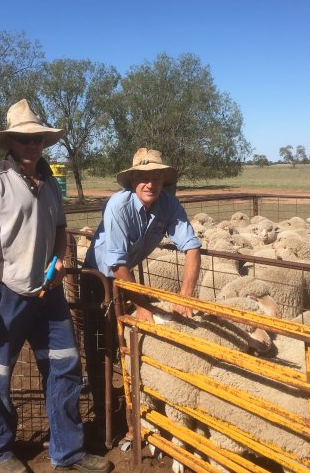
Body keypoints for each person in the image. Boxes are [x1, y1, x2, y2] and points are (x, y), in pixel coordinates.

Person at [0, 99, 111, 473]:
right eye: (25, 138)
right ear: (11, 141)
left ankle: (68, 453)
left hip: (48, 293)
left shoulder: (50, 186)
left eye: (38, 138)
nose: (33, 144)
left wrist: (60, 261)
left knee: (65, 366)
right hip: (3, 293)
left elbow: (60, 229)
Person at [81, 147, 201, 420]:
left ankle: (133, 395)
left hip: (125, 276)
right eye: (144, 177)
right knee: (100, 342)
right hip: (97, 277)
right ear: (133, 179)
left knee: (125, 336)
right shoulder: (118, 206)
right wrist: (142, 304)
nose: (151, 183)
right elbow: (116, 263)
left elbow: (192, 247)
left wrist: (186, 296)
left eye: (157, 177)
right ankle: (104, 409)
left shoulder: (169, 204)